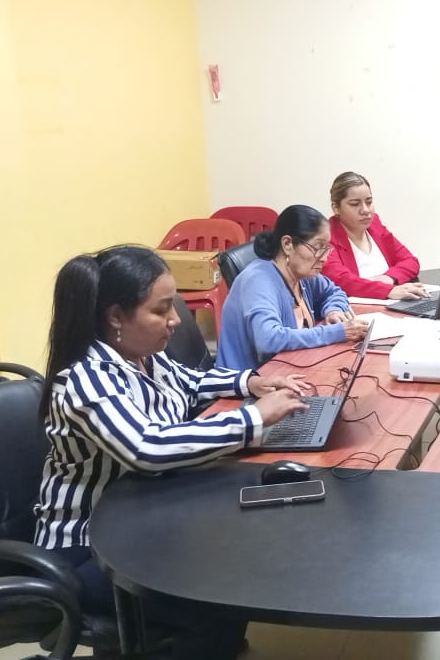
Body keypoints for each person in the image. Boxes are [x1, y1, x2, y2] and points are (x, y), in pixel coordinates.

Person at [33, 245, 310, 660]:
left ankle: (214, 640)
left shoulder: (143, 357)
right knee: (217, 584)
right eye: (161, 310)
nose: (176, 320)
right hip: (90, 547)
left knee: (235, 558)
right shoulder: (87, 380)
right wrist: (253, 418)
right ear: (116, 317)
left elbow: (191, 382)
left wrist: (251, 383)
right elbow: (148, 446)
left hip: (142, 515)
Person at [217, 204, 369, 370]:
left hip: (290, 369)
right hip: (251, 380)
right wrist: (338, 332)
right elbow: (268, 339)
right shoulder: (258, 280)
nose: (324, 258)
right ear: (287, 244)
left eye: (326, 248)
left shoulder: (302, 274)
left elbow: (333, 292)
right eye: (318, 247)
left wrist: (333, 311)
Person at [321, 171, 429, 301]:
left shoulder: (375, 226)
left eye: (369, 202)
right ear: (336, 208)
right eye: (355, 204)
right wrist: (388, 290)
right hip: (355, 308)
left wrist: (389, 278)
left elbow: (411, 261)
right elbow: (342, 281)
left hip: (392, 302)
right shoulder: (325, 237)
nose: (365, 210)